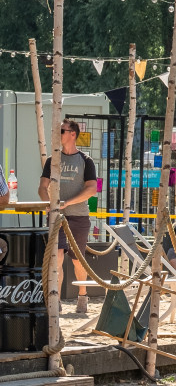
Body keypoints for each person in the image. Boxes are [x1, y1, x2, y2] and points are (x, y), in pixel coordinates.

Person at [41, 119, 98, 315]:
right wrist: (47, 202)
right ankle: (55, 300)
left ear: (72, 134)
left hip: (78, 217)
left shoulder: (86, 160)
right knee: (56, 257)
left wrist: (68, 203)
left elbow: (92, 189)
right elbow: (42, 187)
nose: (58, 134)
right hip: (56, 217)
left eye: (62, 131)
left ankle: (83, 295)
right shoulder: (52, 160)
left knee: (77, 260)